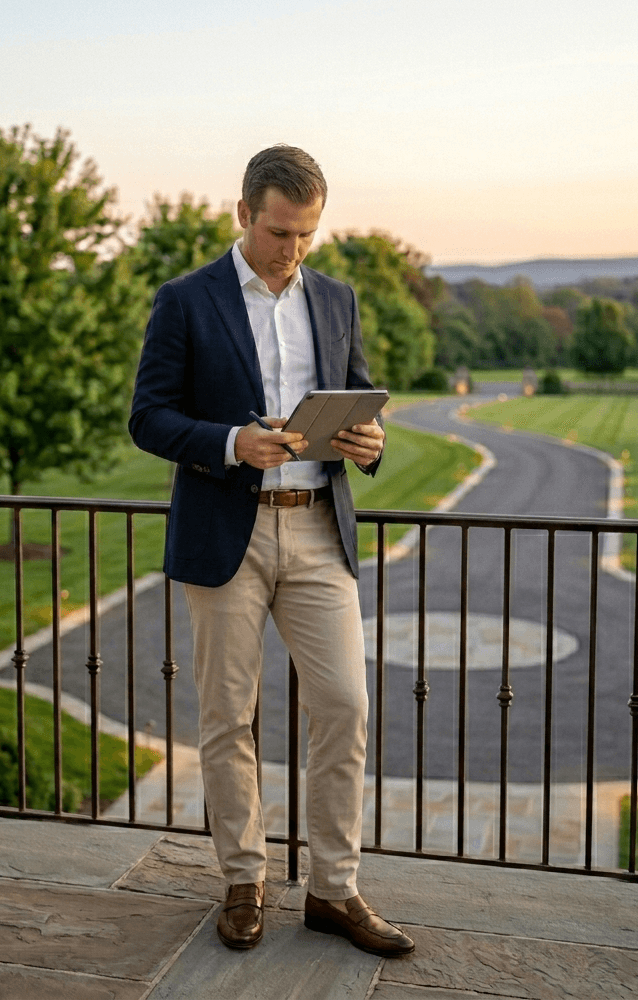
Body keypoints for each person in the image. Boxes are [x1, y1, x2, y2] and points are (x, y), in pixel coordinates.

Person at [129, 144, 413, 957]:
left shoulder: (337, 297)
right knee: (228, 716)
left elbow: (359, 396)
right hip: (229, 532)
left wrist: (369, 440)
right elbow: (148, 417)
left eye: (308, 235)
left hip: (320, 528)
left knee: (346, 707)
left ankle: (333, 890)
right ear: (244, 214)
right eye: (282, 232)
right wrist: (229, 442)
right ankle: (244, 880)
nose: (294, 251)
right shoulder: (185, 300)